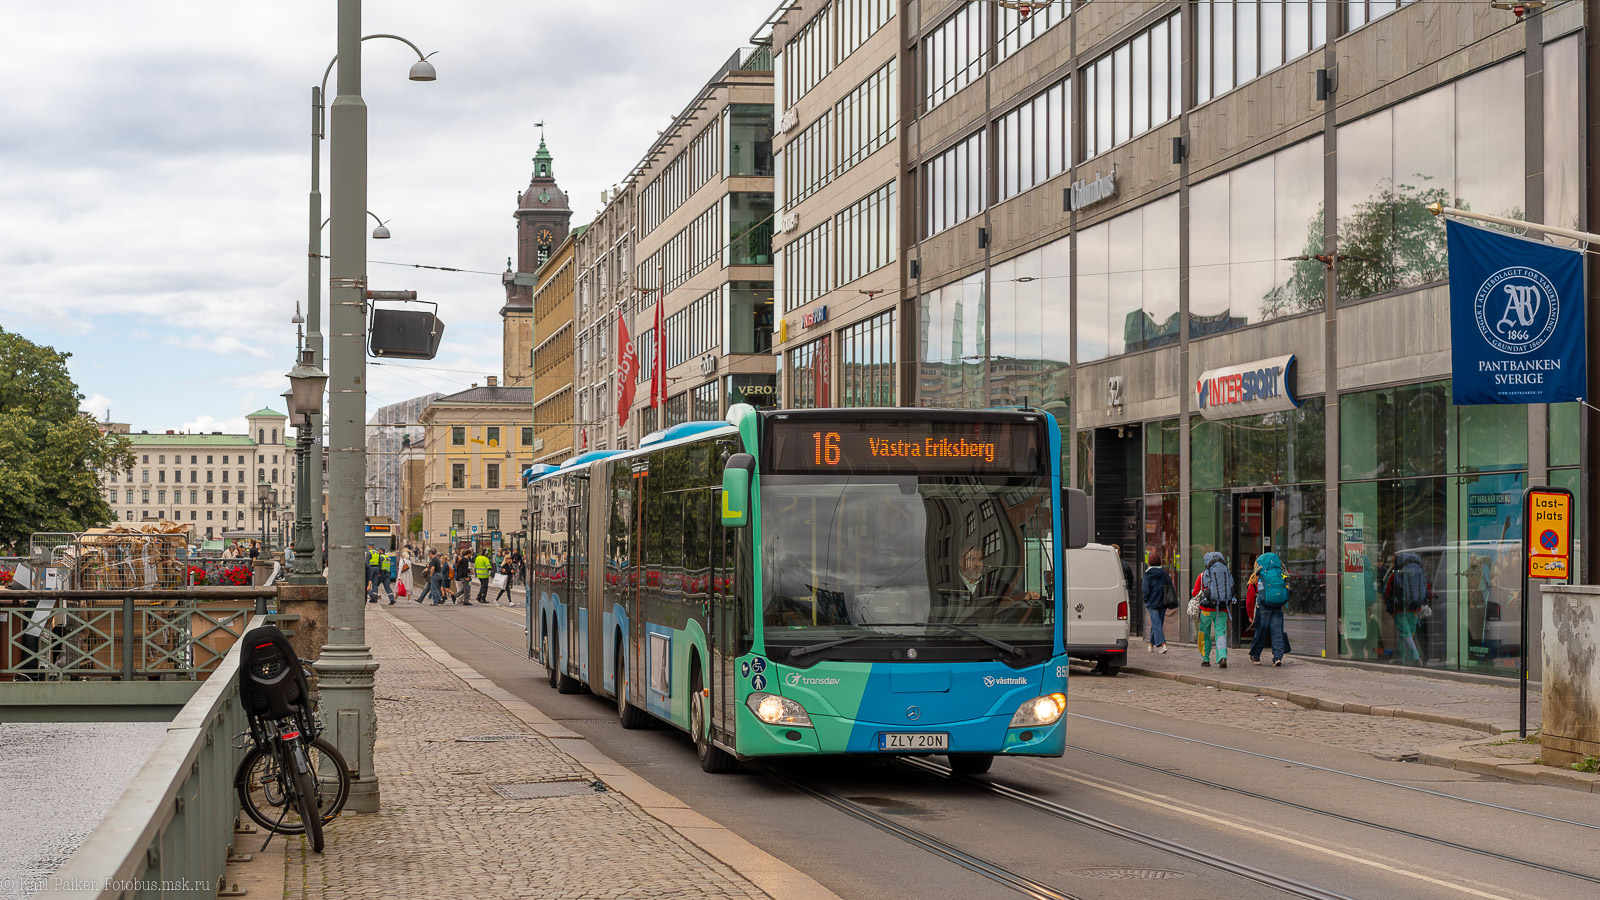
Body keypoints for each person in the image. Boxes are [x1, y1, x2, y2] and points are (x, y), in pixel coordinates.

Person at [1384, 551, 1431, 664]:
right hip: (1414, 609)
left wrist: (1389, 604)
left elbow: (1386, 591)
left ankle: (1415, 658)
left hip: (1400, 609)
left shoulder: (1395, 575)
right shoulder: (1419, 574)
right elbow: (1426, 589)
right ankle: (1400, 658)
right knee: (1406, 634)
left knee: (1405, 634)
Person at [1191, 550, 1234, 668]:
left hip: (1206, 610)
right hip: (1223, 609)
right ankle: (1222, 657)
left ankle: (1205, 659)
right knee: (1220, 633)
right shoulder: (1226, 574)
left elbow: (1195, 592)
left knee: (1204, 633)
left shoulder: (1203, 575)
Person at [1248, 552, 1291, 666]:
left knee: (1261, 631)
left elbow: (1250, 598)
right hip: (1277, 605)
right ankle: (1277, 657)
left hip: (1264, 606)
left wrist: (1250, 615)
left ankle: (1256, 655)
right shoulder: (1279, 572)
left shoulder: (1258, 575)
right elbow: (1286, 582)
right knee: (1277, 632)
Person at [1140, 553, 1173, 653]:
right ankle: (1151, 645)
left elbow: (1145, 589)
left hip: (1152, 603)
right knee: (1158, 623)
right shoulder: (1165, 573)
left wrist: (1145, 599)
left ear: (1149, 562)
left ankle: (1162, 645)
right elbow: (1170, 586)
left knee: (1156, 623)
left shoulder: (1147, 574)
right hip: (1163, 602)